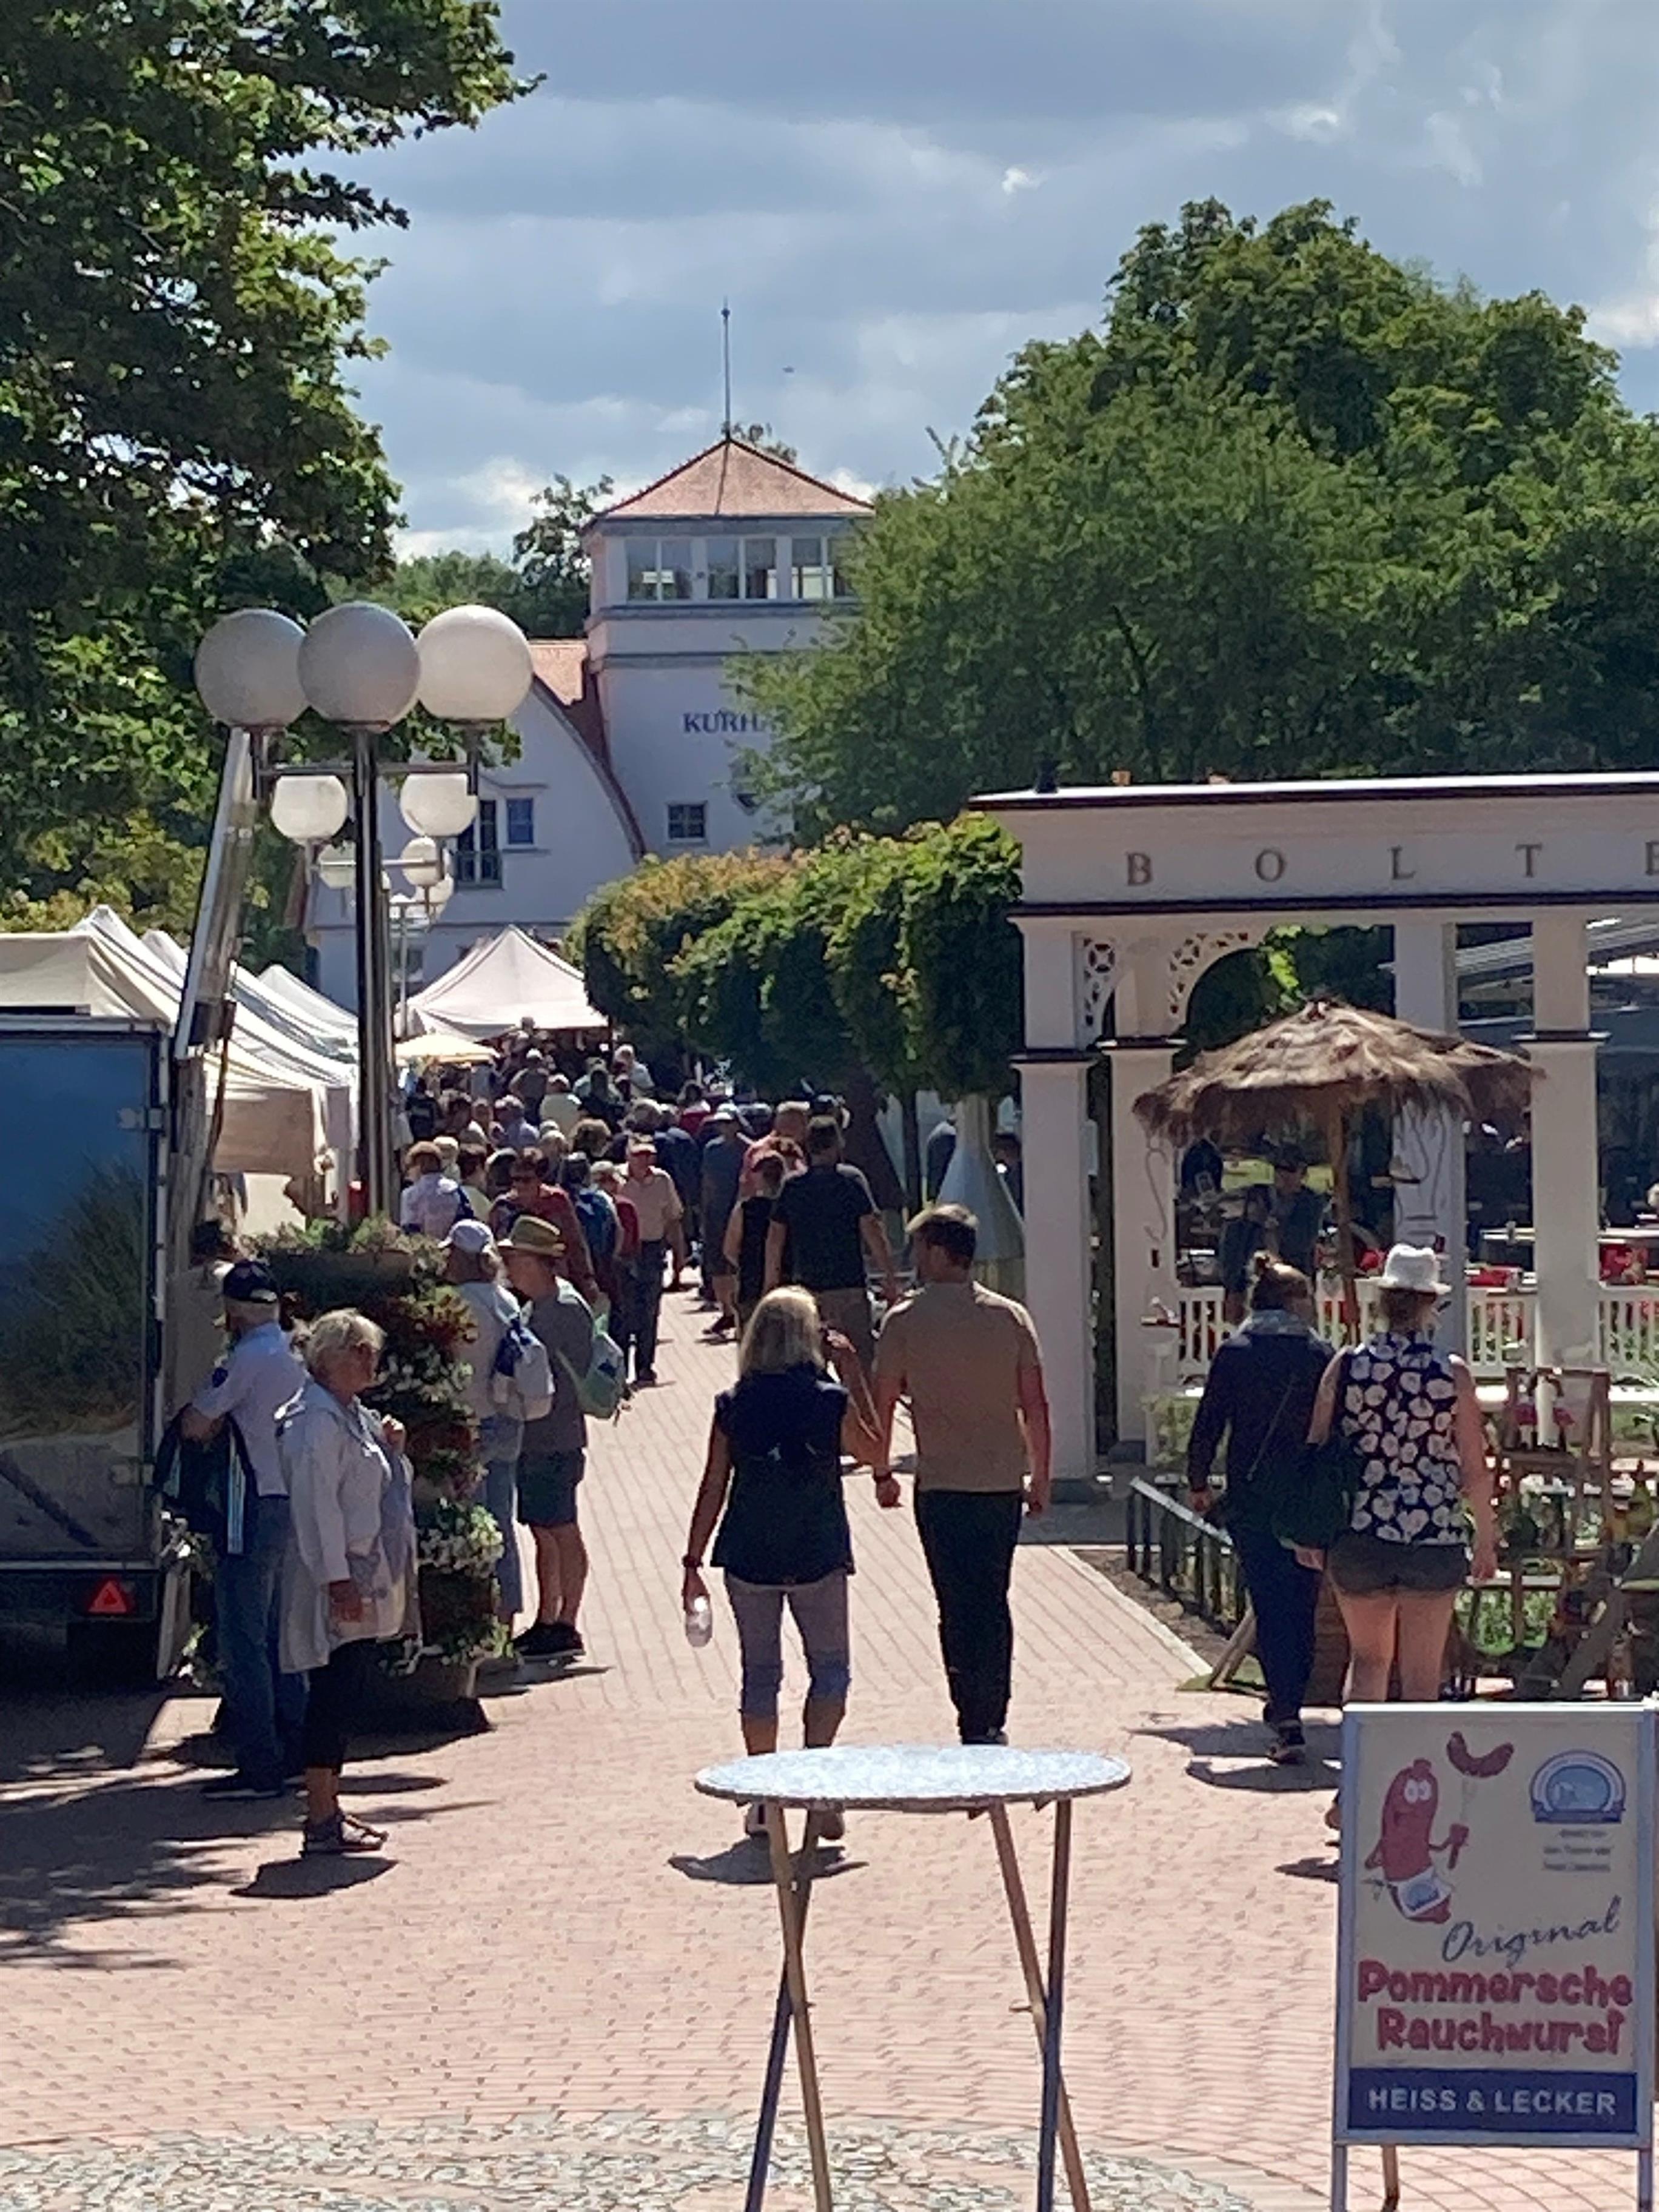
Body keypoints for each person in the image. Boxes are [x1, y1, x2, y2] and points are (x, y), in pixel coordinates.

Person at [682, 1288, 894, 1840]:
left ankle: (764, 1796)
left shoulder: (733, 1403)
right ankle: (817, 1786)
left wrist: (692, 1558)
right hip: (816, 1547)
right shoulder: (829, 1400)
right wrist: (852, 1374)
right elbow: (875, 1451)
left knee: (760, 1674)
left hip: (749, 1551)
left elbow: (713, 1484)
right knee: (831, 1669)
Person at [872, 1205, 1050, 1746]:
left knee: (954, 1602)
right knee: (993, 1598)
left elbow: (883, 1402)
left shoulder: (904, 1321)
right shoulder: (1010, 1318)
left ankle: (969, 1711)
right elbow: (1035, 1405)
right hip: (999, 1483)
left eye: (919, 1249)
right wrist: (1041, 1476)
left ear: (937, 1251)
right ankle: (994, 1712)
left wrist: (882, 1469)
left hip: (941, 1484)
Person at [1302, 1244, 1498, 1714]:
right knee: (1421, 1678)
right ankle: (1415, 1762)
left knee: (1367, 1662)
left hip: (1361, 1530)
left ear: (1383, 1302)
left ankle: (1360, 1757)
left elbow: (1316, 1448)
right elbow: (1474, 1466)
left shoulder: (1347, 1366)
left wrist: (1309, 1530)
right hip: (1432, 1532)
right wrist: (1486, 1539)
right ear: (1431, 1304)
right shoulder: (1451, 1374)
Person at [279, 1310, 417, 1857]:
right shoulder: (314, 1424)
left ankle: (329, 1808)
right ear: (327, 1357)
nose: (369, 1360)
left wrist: (392, 1446)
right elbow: (318, 1510)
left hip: (360, 1566)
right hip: (335, 1574)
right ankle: (320, 1816)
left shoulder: (350, 1414)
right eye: (358, 1350)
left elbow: (370, 1483)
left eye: (372, 1351)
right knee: (332, 1692)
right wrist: (337, 1581)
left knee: (346, 1687)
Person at [1186, 1257, 1331, 1764]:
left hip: (1250, 1498)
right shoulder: (1319, 1354)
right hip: (1306, 1499)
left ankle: (1286, 1712)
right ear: (1294, 1302)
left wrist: (1198, 1479)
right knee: (1303, 1603)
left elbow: (1210, 1420)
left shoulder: (1236, 1352)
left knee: (1268, 1603)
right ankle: (1291, 1703)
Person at [183, 1260, 308, 1798]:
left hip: (250, 1503)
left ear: (233, 1309)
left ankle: (260, 1764)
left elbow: (197, 1423)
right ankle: (299, 1750)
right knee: (282, 1636)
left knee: (244, 1637)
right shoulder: (295, 1353)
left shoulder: (245, 1358)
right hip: (291, 1500)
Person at [502, 1217, 596, 1660]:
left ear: (535, 1262)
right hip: (539, 1436)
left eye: (514, 1259)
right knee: (544, 1530)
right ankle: (547, 1618)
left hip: (556, 1437)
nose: (509, 1268)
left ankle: (567, 1621)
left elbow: (562, 1374)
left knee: (561, 1528)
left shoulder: (561, 1309)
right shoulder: (539, 1306)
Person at [766, 1115, 896, 1373]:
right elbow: (872, 1229)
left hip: (807, 1289)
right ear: (838, 1143)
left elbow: (775, 1238)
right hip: (849, 1285)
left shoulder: (793, 1186)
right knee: (860, 1360)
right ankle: (861, 1401)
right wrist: (889, 1277)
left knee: (810, 1362)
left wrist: (771, 1283)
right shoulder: (852, 1180)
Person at [446, 1221, 526, 1629]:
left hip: (471, 1422)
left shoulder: (455, 1304)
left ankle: (478, 1618)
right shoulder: (506, 1301)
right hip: (508, 1419)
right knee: (501, 1519)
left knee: (473, 1523)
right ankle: (506, 1615)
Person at [489, 1149, 599, 1305]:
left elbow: (575, 1241)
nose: (519, 1185)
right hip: (514, 1283)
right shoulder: (502, 1207)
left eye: (526, 1180)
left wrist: (587, 1278)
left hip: (553, 1279)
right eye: (515, 1179)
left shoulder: (557, 1201)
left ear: (539, 1179)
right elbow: (493, 1246)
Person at [623, 1134, 683, 1386]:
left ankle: (645, 1367)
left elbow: (673, 1219)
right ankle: (621, 1370)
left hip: (652, 1249)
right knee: (625, 1311)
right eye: (639, 1155)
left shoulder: (662, 1180)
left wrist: (679, 1255)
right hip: (624, 1251)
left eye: (649, 1155)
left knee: (649, 1310)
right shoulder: (618, 1181)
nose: (644, 1160)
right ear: (629, 1156)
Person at [166, 1218, 238, 1419]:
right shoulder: (239, 1282)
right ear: (228, 1246)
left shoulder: (175, 1287)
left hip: (183, 1399)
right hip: (225, 1400)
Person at [727, 1150, 788, 1336]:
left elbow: (729, 1249)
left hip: (751, 1283)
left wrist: (745, 1264)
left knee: (751, 1342)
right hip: (787, 1283)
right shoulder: (790, 1207)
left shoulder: (745, 1209)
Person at [700, 1107, 748, 1334]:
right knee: (717, 1264)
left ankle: (739, 1313)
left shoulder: (747, 1149)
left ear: (737, 1124)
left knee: (738, 1262)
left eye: (728, 1123)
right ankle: (727, 1311)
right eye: (720, 1124)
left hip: (739, 1211)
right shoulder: (712, 1150)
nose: (724, 1128)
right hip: (716, 1213)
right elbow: (707, 1181)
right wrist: (705, 1211)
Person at [399, 1141, 469, 1239]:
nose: (408, 1173)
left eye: (409, 1167)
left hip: (425, 1246)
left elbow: (409, 1230)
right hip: (454, 1245)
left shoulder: (410, 1195)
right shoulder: (455, 1189)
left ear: (419, 1166)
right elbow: (468, 1221)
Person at [1268, 1158, 1324, 1279]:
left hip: (1298, 1266)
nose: (1282, 1174)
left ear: (1302, 1173)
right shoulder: (1264, 1196)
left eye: (1290, 1170)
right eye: (1278, 1169)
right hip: (1267, 1264)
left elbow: (1304, 1240)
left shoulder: (1311, 1202)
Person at [540, 1071, 580, 1138]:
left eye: (550, 1085)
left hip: (555, 1137)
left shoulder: (548, 1101)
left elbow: (544, 1118)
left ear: (557, 1086)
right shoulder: (575, 1100)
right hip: (573, 1136)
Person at [512, 1048, 549, 1119]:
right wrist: (522, 1098)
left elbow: (549, 1087)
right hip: (528, 1102)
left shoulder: (544, 1075)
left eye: (536, 1061)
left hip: (540, 1102)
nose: (533, 1063)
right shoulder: (523, 1074)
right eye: (531, 1061)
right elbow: (513, 1086)